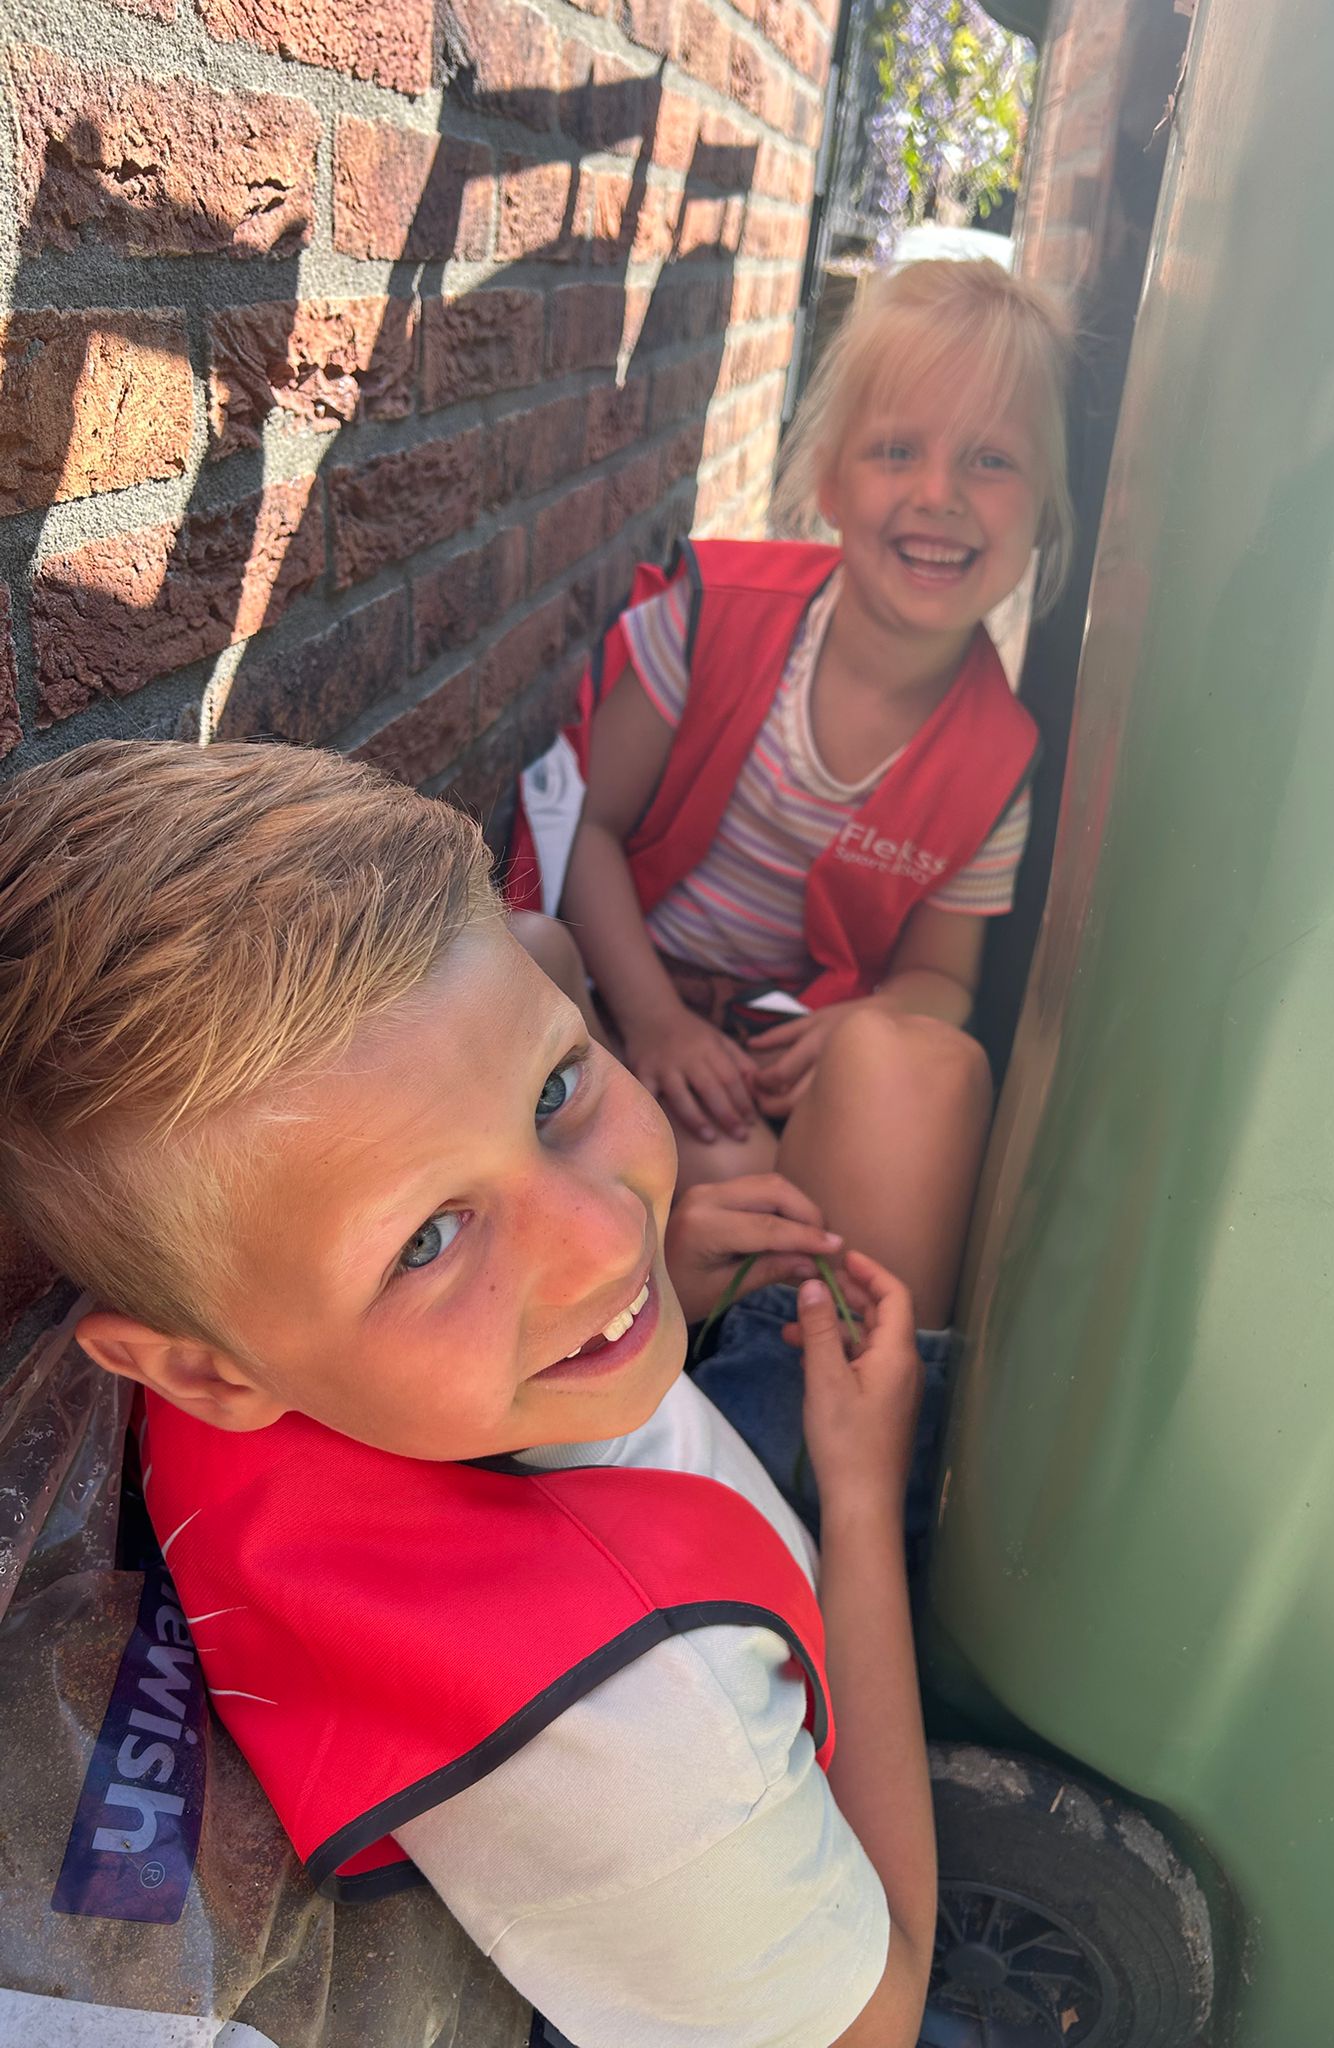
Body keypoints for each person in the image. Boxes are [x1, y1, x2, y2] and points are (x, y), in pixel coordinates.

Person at [0, 738, 938, 2048]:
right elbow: (878, 2017)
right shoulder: (653, 1755)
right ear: (202, 1372)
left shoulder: (268, 1322)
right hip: (747, 1653)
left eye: (554, 1091)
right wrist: (864, 1494)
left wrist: (660, 1282)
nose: (605, 1240)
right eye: (428, 1241)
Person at [560, 260, 1072, 1303]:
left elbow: (941, 981)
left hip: (762, 1056)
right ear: (831, 482)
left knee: (762, 1173)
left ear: (1043, 521)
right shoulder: (711, 615)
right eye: (898, 451)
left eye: (990, 460)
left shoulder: (997, 760)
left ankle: (774, 1352)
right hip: (615, 989)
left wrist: (858, 1022)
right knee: (712, 1161)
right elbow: (583, 826)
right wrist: (652, 1020)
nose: (939, 494)